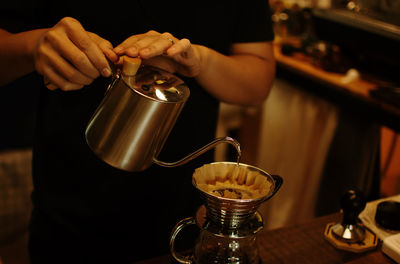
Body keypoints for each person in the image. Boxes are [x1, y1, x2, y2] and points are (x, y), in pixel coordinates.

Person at [0, 0, 275, 263]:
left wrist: (198, 61)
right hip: (67, 212)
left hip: (182, 218)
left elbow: (257, 83)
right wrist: (32, 46)